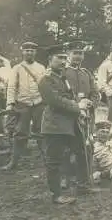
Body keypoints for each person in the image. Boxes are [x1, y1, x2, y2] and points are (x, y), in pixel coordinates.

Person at [38, 44, 98, 205]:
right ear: (50, 60)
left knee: (82, 151)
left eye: (65, 58)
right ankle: (56, 195)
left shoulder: (63, 78)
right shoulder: (46, 79)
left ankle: (82, 186)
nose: (63, 61)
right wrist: (78, 106)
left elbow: (71, 98)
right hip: (55, 126)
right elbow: (55, 101)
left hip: (72, 124)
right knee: (54, 161)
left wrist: (83, 105)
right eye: (60, 58)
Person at [2, 42, 46, 170]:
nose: (29, 53)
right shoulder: (17, 68)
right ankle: (13, 162)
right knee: (20, 133)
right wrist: (10, 104)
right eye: (27, 50)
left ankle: (47, 161)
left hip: (39, 103)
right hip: (23, 104)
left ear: (35, 52)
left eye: (32, 51)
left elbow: (45, 86)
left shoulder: (41, 68)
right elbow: (11, 87)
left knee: (41, 132)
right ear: (22, 52)